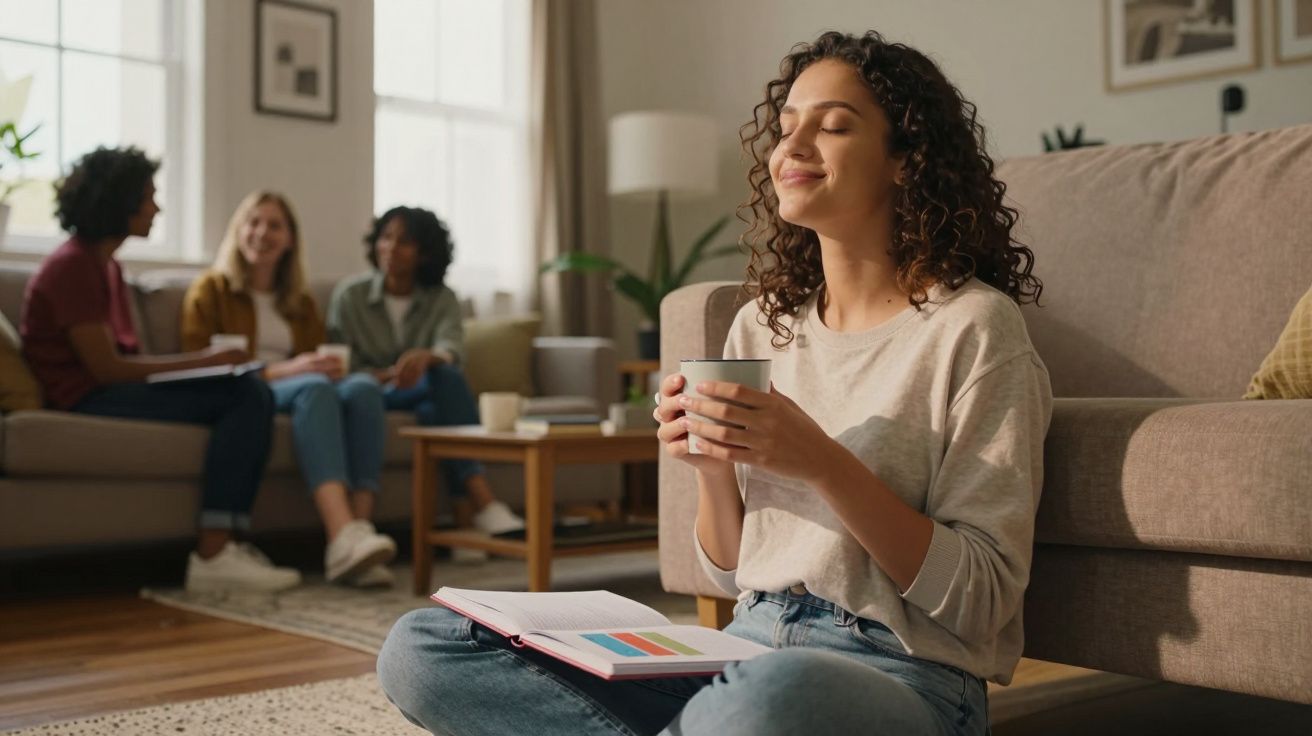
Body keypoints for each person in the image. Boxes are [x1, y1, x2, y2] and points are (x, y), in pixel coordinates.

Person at [375, 29, 1053, 736]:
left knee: (764, 702)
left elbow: (981, 597)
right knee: (425, 648)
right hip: (741, 651)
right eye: (787, 127)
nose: (792, 146)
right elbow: (733, 573)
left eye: (834, 126)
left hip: (897, 674)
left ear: (907, 161)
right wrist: (709, 467)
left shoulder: (974, 329)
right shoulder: (764, 327)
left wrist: (821, 461)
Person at [20, 147, 300, 593]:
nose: (157, 207)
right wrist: (207, 362)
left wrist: (209, 368)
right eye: (149, 196)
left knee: (248, 390)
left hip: (101, 388)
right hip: (85, 395)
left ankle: (224, 544)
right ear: (121, 201)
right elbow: (106, 370)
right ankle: (213, 552)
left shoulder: (104, 265)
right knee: (246, 393)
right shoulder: (72, 267)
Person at [181, 191, 397, 587]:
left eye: (275, 225)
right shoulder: (210, 289)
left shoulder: (299, 301)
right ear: (239, 231)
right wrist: (292, 369)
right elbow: (200, 364)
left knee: (364, 388)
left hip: (303, 387)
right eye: (254, 222)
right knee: (314, 388)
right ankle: (340, 536)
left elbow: (313, 356)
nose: (262, 233)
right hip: (253, 390)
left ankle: (359, 537)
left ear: (291, 239)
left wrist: (323, 367)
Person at [326, 206, 524, 540]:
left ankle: (469, 516)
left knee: (442, 384)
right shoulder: (350, 296)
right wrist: (387, 374)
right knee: (371, 390)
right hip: (369, 391)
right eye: (386, 237)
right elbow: (342, 364)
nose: (391, 247)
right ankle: (481, 505)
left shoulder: (441, 298)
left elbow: (452, 347)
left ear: (425, 253)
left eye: (404, 241)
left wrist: (428, 357)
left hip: (421, 390)